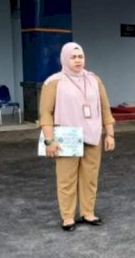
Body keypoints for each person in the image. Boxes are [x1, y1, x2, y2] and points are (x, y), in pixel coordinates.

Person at [39, 42, 116, 231]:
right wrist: (50, 140)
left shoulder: (93, 79)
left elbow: (105, 108)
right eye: (73, 57)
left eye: (80, 56)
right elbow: (46, 113)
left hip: (92, 134)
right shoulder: (54, 82)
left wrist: (110, 134)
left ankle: (88, 212)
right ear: (65, 59)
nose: (78, 60)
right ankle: (67, 216)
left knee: (90, 177)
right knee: (67, 178)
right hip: (68, 137)